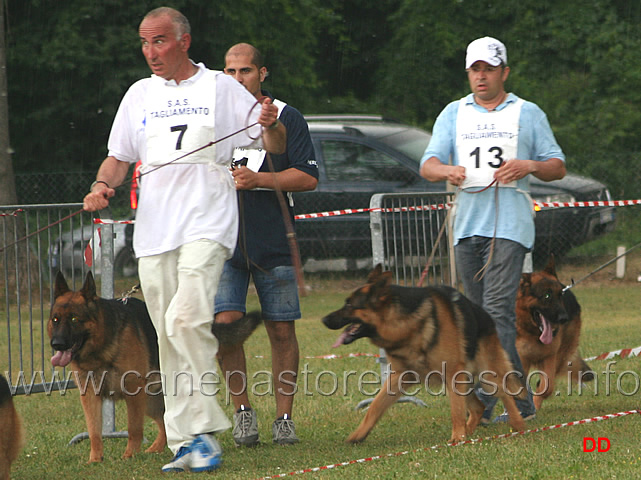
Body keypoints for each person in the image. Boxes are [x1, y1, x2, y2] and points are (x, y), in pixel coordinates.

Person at [83, 8, 286, 474]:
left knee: (186, 317)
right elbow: (118, 158)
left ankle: (204, 430)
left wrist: (272, 122)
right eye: (144, 42)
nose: (151, 52)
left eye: (159, 41)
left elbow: (272, 144)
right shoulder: (139, 94)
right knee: (169, 335)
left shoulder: (220, 87)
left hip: (207, 221)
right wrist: (101, 186)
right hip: (153, 231)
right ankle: (186, 440)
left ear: (184, 41)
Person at [419, 36, 566, 424]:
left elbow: (557, 166)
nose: (481, 76)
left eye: (488, 69)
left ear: (504, 72)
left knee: (498, 312)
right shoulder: (454, 113)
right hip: (467, 225)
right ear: (468, 73)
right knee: (478, 316)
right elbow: (427, 164)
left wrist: (529, 166)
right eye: (475, 69)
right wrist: (446, 170)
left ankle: (508, 401)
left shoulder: (527, 112)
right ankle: (501, 398)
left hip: (511, 224)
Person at [213, 43, 318, 447]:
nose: (237, 79)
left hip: (274, 238)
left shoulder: (285, 115)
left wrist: (260, 181)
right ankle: (242, 412)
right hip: (223, 240)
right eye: (230, 71)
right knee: (227, 328)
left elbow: (307, 178)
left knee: (280, 329)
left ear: (262, 73)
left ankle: (284, 418)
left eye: (245, 71)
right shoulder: (215, 120)